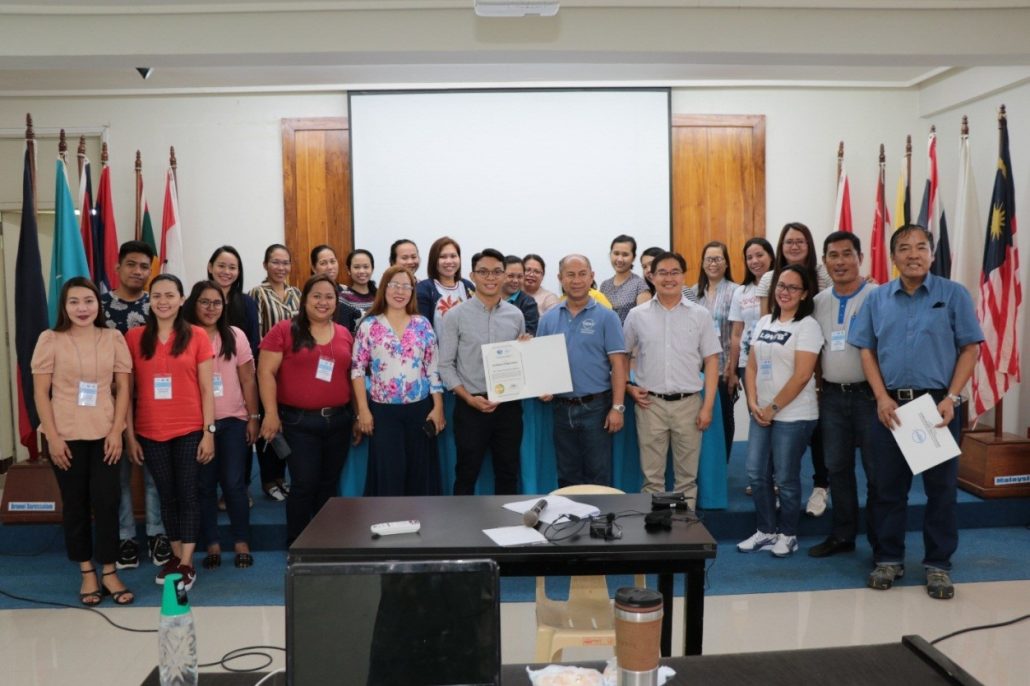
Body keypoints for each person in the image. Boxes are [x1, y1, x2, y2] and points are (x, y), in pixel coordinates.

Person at [850, 225, 982, 599]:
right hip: (891, 406)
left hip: (937, 405)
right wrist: (880, 397)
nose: (913, 254)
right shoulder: (877, 299)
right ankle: (888, 558)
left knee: (941, 490)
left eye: (921, 247)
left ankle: (938, 565)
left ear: (931, 253)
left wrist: (952, 398)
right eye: (904, 248)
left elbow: (970, 348)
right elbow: (866, 350)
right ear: (893, 257)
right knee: (887, 489)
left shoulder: (952, 295)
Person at [32, 277, 134, 606]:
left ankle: (109, 569)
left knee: (107, 502)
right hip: (65, 437)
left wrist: (117, 431)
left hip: (105, 435)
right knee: (75, 505)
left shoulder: (112, 337)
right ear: (64, 306)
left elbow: (123, 390)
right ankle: (87, 570)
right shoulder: (49, 339)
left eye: (88, 301)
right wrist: (53, 437)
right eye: (74, 302)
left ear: (98, 304)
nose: (82, 308)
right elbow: (40, 394)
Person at [125, 274, 216, 591]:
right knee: (166, 495)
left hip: (190, 428)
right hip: (150, 430)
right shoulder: (135, 337)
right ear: (149, 301)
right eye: (156, 295)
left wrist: (209, 432)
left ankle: (187, 562)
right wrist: (129, 434)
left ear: (181, 300)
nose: (163, 301)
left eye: (170, 295)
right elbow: (127, 390)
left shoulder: (197, 336)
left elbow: (207, 389)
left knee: (188, 494)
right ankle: (176, 557)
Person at [258, 274, 355, 545]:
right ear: (305, 300)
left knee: (328, 485)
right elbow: (265, 372)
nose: (323, 302)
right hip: (298, 423)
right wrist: (270, 414)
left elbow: (351, 376)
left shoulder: (345, 334)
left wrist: (358, 415)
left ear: (337, 301)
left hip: (339, 421)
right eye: (316, 296)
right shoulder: (284, 330)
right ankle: (298, 545)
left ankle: (325, 542)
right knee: (304, 484)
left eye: (329, 297)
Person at [623, 252, 720, 508]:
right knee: (651, 478)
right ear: (651, 276)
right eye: (662, 273)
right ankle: (652, 534)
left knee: (686, 479)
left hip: (688, 405)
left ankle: (685, 534)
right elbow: (621, 356)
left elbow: (712, 360)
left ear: (683, 276)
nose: (669, 278)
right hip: (649, 405)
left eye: (675, 272)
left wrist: (707, 406)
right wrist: (628, 387)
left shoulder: (700, 315)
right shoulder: (636, 315)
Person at [737, 265, 822, 559]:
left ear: (804, 294)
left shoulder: (807, 326)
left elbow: (801, 376)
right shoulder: (762, 322)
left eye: (792, 288)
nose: (785, 292)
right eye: (781, 286)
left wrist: (773, 408)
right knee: (756, 473)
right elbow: (750, 365)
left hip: (794, 414)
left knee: (785, 477)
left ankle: (788, 534)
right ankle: (766, 530)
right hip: (761, 411)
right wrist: (752, 402)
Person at [101, 240, 171, 570]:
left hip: (152, 404)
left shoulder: (156, 306)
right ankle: (126, 535)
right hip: (108, 405)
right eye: (131, 264)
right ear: (118, 267)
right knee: (120, 476)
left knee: (155, 474)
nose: (138, 271)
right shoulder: (98, 306)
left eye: (144, 266)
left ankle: (157, 534)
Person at [808, 231, 877, 559]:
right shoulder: (819, 301)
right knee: (837, 467)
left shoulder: (879, 296)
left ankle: (881, 541)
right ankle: (843, 535)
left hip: (871, 397)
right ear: (824, 262)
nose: (840, 261)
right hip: (833, 397)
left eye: (847, 254)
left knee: (877, 470)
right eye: (833, 256)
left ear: (860, 258)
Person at [756, 223, 832, 517]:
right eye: (789, 241)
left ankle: (820, 486)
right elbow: (768, 318)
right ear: (781, 245)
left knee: (816, 429)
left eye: (801, 241)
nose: (795, 246)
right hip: (781, 356)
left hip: (818, 356)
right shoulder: (769, 278)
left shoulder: (821, 274)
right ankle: (780, 486)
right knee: (781, 432)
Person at [438, 248, 526, 495]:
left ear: (504, 275)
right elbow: (445, 364)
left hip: (508, 406)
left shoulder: (516, 315)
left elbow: (521, 362)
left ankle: (508, 530)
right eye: (483, 272)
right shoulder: (455, 315)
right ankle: (462, 531)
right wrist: (468, 398)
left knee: (508, 472)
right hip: (470, 406)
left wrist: (527, 351)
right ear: (472, 275)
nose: (491, 278)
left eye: (497, 272)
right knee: (467, 471)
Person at [351, 265, 446, 496]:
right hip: (383, 412)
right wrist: (363, 410)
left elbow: (432, 368)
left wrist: (439, 407)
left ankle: (421, 525)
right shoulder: (369, 325)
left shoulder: (422, 324)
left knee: (419, 473)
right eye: (394, 285)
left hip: (420, 410)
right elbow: (357, 370)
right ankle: (388, 525)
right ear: (384, 288)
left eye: (406, 286)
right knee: (389, 474)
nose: (400, 291)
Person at [184, 281, 259, 570]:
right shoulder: (185, 336)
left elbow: (248, 379)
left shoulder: (235, 335)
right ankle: (212, 543)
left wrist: (253, 417)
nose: (211, 308)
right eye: (204, 302)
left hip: (233, 420)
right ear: (194, 303)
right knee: (203, 486)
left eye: (216, 303)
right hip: (197, 423)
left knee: (234, 484)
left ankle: (242, 541)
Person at [538, 254, 628, 487]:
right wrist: (542, 386)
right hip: (560, 408)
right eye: (570, 275)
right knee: (567, 475)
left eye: (582, 274)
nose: (576, 280)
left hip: (596, 408)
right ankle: (570, 523)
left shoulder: (607, 317)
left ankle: (599, 523)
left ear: (591, 277)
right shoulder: (547, 319)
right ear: (560, 279)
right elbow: (541, 363)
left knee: (598, 475)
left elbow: (619, 364)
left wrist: (617, 407)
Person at [248, 244, 302, 503]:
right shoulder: (257, 293)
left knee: (288, 425)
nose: (281, 268)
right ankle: (269, 479)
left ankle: (282, 478)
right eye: (275, 262)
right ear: (265, 265)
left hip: (293, 370)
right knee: (269, 423)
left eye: (285, 262)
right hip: (268, 366)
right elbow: (257, 333)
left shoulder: (297, 293)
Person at [727, 237, 774, 495]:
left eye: (760, 255)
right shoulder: (741, 292)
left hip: (777, 363)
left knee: (777, 417)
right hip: (748, 363)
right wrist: (733, 369)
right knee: (757, 415)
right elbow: (736, 333)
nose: (755, 261)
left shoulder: (782, 283)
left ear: (770, 256)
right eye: (749, 257)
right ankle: (761, 477)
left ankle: (778, 476)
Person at [691, 241, 738, 461]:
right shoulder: (692, 293)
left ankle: (722, 464)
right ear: (702, 263)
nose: (713, 263)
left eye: (718, 258)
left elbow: (738, 332)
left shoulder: (735, 291)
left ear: (726, 263)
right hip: (695, 370)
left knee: (723, 418)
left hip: (723, 367)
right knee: (697, 417)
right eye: (709, 259)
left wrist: (732, 367)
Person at [206, 245, 260, 358]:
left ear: (238, 272)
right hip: (202, 367)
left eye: (232, 267)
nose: (226, 271)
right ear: (210, 267)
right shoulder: (195, 301)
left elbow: (253, 342)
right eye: (221, 266)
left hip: (238, 369)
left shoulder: (248, 303)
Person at [415, 236, 475, 327]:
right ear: (434, 260)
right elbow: (422, 328)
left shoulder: (468, 286)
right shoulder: (423, 289)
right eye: (443, 257)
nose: (449, 261)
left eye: (453, 256)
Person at [310, 244, 363, 334]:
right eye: (323, 263)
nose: (330, 267)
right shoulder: (309, 294)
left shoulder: (345, 290)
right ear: (314, 268)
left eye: (333, 261)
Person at [599, 234, 651, 323]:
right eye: (616, 253)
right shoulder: (605, 285)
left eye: (625, 255)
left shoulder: (640, 285)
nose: (619, 259)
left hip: (628, 336)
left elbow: (643, 322)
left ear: (633, 257)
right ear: (610, 254)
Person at [501, 255, 540, 335]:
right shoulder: (490, 299)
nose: (515, 280)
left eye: (520, 276)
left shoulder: (528, 303)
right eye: (510, 276)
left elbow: (530, 334)